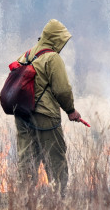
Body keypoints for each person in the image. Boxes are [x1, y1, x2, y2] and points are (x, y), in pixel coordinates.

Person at [13, 19, 84, 193]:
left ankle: (24, 199)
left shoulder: (25, 56)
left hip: (21, 114)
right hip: (45, 116)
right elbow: (62, 89)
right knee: (55, 159)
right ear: (56, 39)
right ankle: (59, 198)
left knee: (27, 159)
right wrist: (71, 110)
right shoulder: (52, 58)